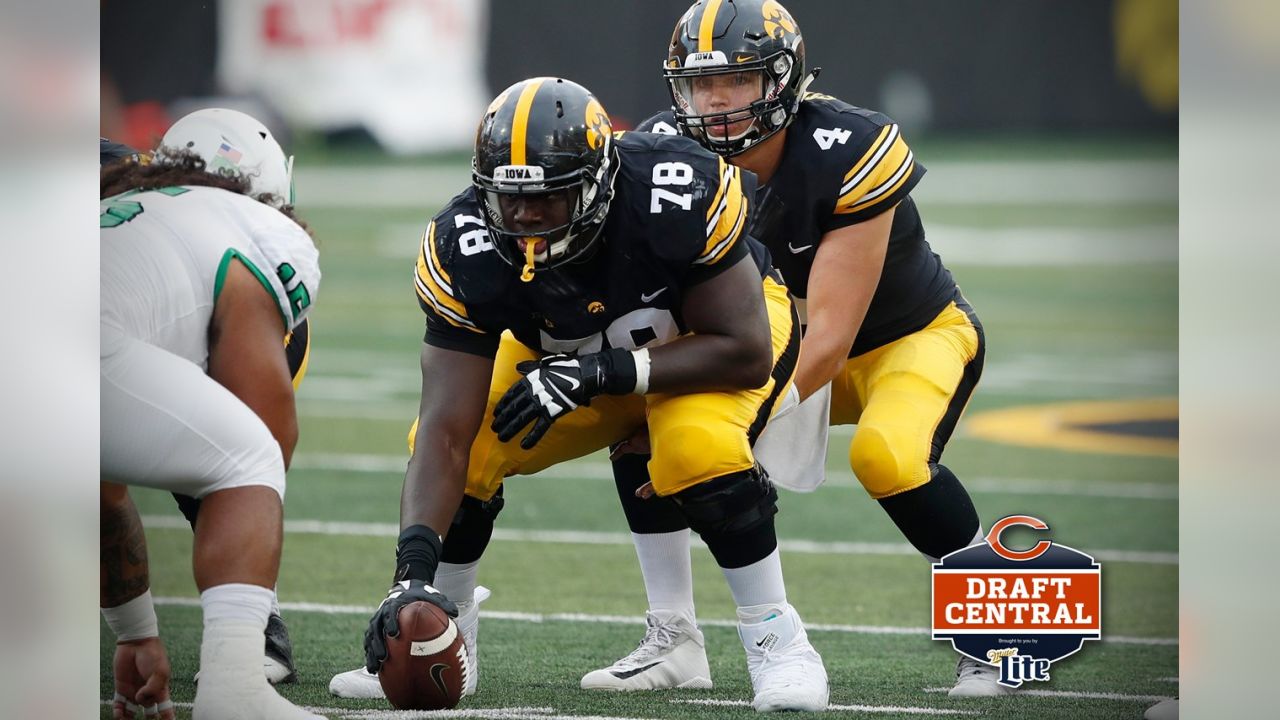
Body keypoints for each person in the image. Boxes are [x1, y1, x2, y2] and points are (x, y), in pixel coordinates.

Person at [329, 76, 828, 713]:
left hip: (709, 340)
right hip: (573, 352)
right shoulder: (466, 246)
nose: (527, 216)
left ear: (596, 181)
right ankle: (447, 637)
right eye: (510, 200)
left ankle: (780, 646)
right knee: (474, 447)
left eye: (548, 197)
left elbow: (742, 350)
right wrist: (410, 577)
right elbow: (444, 431)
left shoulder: (671, 193)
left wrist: (598, 374)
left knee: (693, 447)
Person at [581, 0, 999, 698]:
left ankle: (999, 628)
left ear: (784, 79)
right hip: (773, 347)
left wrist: (743, 429)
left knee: (888, 454)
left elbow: (829, 337)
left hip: (905, 339)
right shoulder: (664, 156)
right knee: (646, 412)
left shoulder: (849, 146)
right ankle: (673, 638)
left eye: (738, 81)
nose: (715, 101)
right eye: (699, 83)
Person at [101, 108, 325, 720]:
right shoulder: (255, 227)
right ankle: (235, 686)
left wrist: (136, 632)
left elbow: (99, 484)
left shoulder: (115, 207)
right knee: (249, 455)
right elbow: (266, 436)